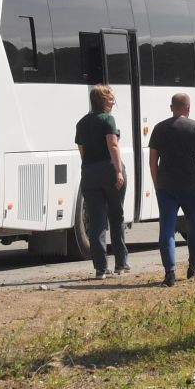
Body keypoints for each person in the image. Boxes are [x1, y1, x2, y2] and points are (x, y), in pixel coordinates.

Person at [147, 91, 195, 286]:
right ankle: (193, 267)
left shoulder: (159, 128)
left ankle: (170, 273)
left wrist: (157, 183)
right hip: (191, 185)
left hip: (166, 186)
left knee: (166, 228)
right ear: (188, 108)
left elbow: (152, 160)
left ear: (171, 108)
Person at [74, 85, 130, 279]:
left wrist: (90, 167)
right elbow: (113, 145)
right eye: (110, 98)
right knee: (116, 216)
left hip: (89, 173)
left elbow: (81, 150)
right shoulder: (108, 120)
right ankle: (121, 264)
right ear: (103, 100)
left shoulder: (81, 123)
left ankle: (100, 268)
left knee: (96, 220)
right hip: (109, 171)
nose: (113, 101)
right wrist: (118, 171)